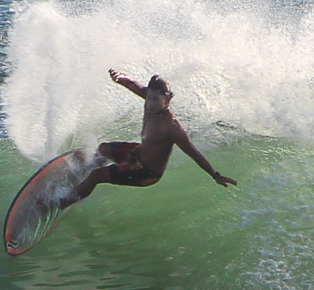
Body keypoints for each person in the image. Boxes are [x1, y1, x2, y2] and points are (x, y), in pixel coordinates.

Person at [72, 69, 238, 202]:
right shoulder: (150, 99)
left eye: (155, 99)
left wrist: (215, 175)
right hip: (137, 153)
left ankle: (64, 200)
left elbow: (194, 153)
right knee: (103, 149)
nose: (150, 103)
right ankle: (84, 173)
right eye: (149, 98)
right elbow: (132, 84)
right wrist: (119, 77)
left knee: (97, 176)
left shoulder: (172, 127)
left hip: (147, 172)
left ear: (168, 98)